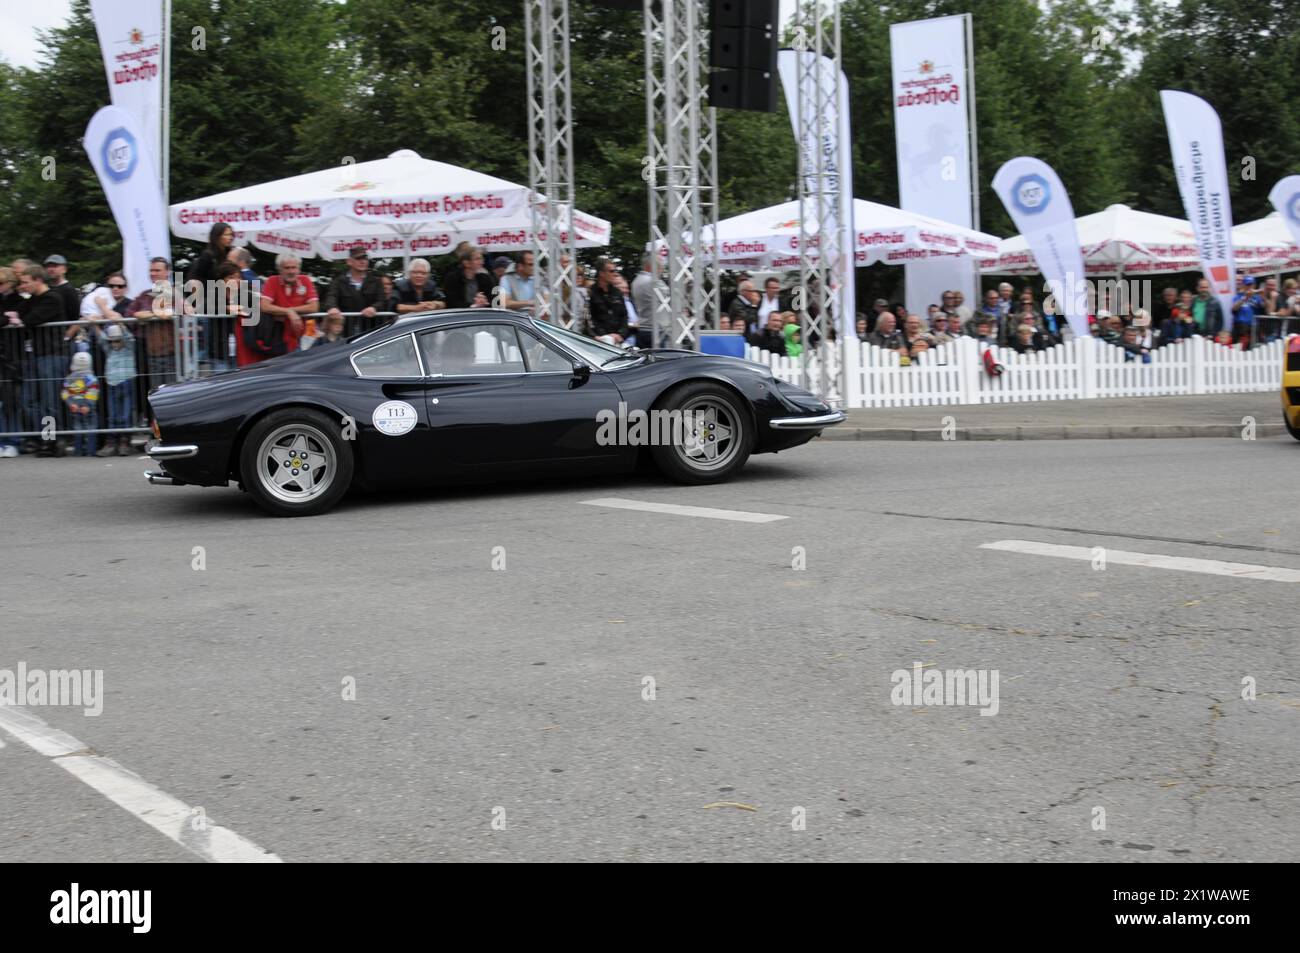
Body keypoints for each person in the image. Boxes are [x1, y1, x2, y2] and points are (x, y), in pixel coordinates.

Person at [18, 265, 69, 456]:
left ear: (38, 280)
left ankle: (51, 441)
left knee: (50, 402)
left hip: (52, 355)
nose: (22, 286)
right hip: (37, 356)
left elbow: (30, 319)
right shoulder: (34, 299)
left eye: (26, 282)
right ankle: (46, 436)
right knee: (28, 401)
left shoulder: (52, 298)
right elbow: (18, 312)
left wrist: (19, 318)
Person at [185, 223, 236, 370]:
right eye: (226, 234)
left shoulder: (228, 254)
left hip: (224, 302)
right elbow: (193, 279)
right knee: (215, 341)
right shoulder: (208, 255)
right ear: (217, 236)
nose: (229, 238)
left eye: (230, 234)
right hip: (211, 303)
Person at [125, 257, 178, 390]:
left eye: (157, 270)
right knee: (156, 395)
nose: (153, 273)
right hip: (152, 354)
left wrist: (147, 314)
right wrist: (146, 314)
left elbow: (169, 312)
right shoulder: (144, 295)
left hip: (174, 354)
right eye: (151, 270)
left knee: (172, 394)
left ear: (167, 272)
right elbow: (129, 313)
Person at [254, 253, 317, 363]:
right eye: (287, 268)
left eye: (294, 267)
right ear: (280, 269)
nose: (291, 271)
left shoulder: (305, 280)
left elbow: (314, 307)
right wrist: (288, 312)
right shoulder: (272, 281)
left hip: (305, 337)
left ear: (299, 268)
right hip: (279, 340)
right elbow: (264, 306)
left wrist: (290, 311)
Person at [94, 320, 136, 456]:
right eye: (112, 341)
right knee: (112, 415)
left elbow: (129, 338)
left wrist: (121, 325)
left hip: (126, 382)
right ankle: (111, 442)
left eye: (118, 341)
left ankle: (125, 441)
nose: (115, 344)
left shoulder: (128, 348)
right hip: (111, 384)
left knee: (125, 414)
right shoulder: (109, 349)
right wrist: (94, 324)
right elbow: (101, 339)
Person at [322, 246, 386, 328]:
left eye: (365, 258)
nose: (362, 261)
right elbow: (331, 296)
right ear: (349, 261)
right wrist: (332, 307)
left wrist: (374, 308)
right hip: (346, 329)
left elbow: (382, 300)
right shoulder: (339, 281)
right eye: (358, 258)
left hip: (370, 328)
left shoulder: (376, 281)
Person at [62, 350, 99, 456]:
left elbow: (65, 393)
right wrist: (88, 405)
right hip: (88, 408)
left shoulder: (69, 378)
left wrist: (70, 404)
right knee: (91, 428)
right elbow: (93, 392)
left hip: (75, 408)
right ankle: (90, 451)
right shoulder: (91, 378)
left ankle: (78, 451)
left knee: (77, 428)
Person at [586, 257, 629, 344]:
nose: (614, 274)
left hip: (618, 339)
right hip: (600, 339)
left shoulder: (617, 292)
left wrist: (621, 334)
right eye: (611, 271)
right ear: (601, 273)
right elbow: (590, 318)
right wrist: (605, 335)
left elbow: (624, 316)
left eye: (615, 271)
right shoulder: (591, 292)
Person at [440, 246, 495, 310]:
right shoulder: (452, 279)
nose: (482, 262)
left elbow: (494, 300)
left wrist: (485, 301)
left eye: (482, 259)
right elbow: (451, 302)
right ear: (467, 263)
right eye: (477, 259)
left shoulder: (485, 278)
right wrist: (473, 306)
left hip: (483, 315)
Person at [42, 254, 81, 322]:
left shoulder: (69, 290)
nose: (51, 269)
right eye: (48, 266)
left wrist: (68, 333)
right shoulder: (45, 288)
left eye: (55, 266)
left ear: (64, 269)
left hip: (63, 330)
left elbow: (76, 318)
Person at [631, 255, 659, 344]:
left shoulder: (636, 280)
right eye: (660, 266)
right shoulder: (652, 281)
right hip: (654, 328)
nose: (662, 269)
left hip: (642, 325)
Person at [1231, 275, 1263, 348]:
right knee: (1237, 350)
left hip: (1253, 327)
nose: (1249, 286)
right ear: (1243, 285)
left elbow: (1263, 308)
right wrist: (1245, 297)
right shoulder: (1238, 296)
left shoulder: (1257, 297)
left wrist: (1263, 296)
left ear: (1254, 285)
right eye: (1247, 284)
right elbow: (1234, 309)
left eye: (1251, 284)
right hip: (1240, 327)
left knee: (1252, 350)